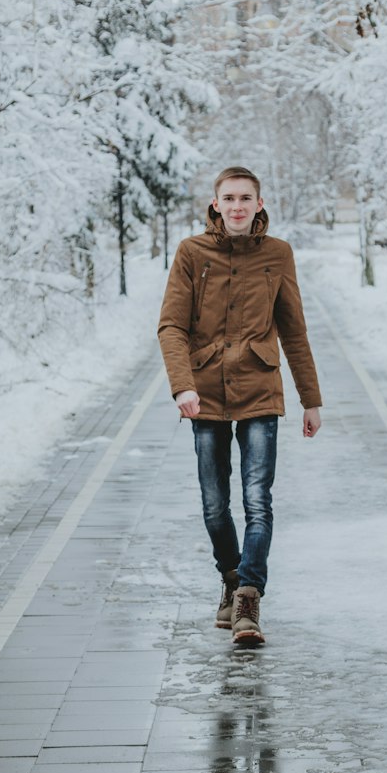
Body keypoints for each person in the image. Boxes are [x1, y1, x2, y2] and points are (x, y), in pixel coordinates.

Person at [157, 166, 323, 645]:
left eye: (245, 198)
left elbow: (293, 330)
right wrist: (182, 385)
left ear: (259, 203)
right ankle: (230, 578)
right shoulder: (192, 253)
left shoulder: (277, 254)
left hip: (259, 389)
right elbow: (171, 327)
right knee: (214, 507)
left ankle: (249, 596)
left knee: (257, 501)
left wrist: (310, 400)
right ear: (215, 204)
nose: (236, 206)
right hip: (204, 391)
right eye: (228, 198)